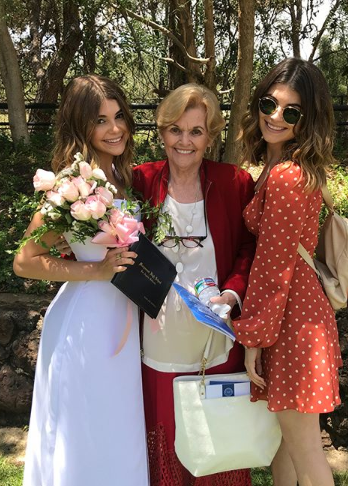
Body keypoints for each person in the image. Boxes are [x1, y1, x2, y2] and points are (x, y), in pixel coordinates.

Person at [13, 75, 149, 486]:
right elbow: (25, 260)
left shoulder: (129, 180)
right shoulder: (71, 188)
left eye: (119, 116)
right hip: (85, 329)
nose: (115, 128)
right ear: (81, 126)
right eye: (101, 120)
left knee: (119, 430)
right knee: (85, 432)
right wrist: (95, 270)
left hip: (125, 322)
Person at [132, 83, 256, 486]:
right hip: (159, 339)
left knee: (218, 448)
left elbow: (247, 248)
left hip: (214, 341)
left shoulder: (235, 182)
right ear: (162, 131)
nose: (185, 141)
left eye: (196, 131)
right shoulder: (140, 181)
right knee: (167, 449)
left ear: (211, 136)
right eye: (175, 130)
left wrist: (232, 293)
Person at [233, 58, 342, 486]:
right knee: (288, 447)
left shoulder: (285, 177)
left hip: (293, 324)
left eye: (291, 111)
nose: (275, 116)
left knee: (307, 453)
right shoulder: (286, 169)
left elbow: (273, 267)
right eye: (269, 103)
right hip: (298, 317)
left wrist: (253, 339)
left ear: (307, 119)